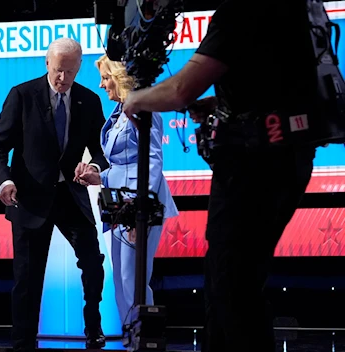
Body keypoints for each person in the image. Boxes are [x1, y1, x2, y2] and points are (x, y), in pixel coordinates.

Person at [121, 1, 317, 351]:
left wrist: (136, 99)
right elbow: (273, 84)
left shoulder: (241, 11)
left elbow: (181, 89)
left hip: (254, 168)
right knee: (230, 285)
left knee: (232, 290)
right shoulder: (291, 10)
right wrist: (220, 105)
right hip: (286, 158)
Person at [0, 38, 110, 351]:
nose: (62, 79)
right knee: (27, 280)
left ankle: (93, 329)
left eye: (70, 72)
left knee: (94, 264)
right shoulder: (22, 95)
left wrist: (93, 166)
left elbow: (100, 150)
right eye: (57, 71)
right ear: (46, 64)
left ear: (79, 67)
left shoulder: (89, 100)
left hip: (71, 196)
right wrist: (4, 182)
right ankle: (23, 343)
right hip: (29, 198)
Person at [77, 54, 178, 324]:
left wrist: (138, 207)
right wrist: (99, 176)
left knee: (133, 278)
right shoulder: (119, 112)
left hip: (137, 204)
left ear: (119, 78)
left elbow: (152, 159)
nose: (101, 85)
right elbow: (123, 164)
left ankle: (144, 336)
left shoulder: (144, 109)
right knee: (121, 278)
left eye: (105, 78)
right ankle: (129, 335)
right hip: (115, 202)